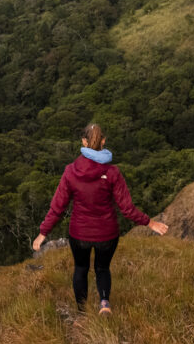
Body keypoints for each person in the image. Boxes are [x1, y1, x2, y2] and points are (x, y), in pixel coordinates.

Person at [32, 123, 168, 315]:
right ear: (104, 141)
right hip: (107, 234)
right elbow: (127, 209)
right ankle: (104, 303)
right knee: (102, 268)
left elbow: (58, 207)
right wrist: (150, 223)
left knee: (80, 269)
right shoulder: (112, 173)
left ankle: (81, 312)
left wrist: (43, 233)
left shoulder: (71, 171)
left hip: (79, 234)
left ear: (84, 142)